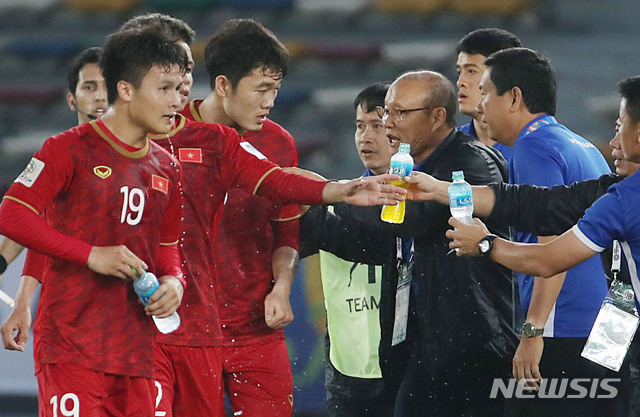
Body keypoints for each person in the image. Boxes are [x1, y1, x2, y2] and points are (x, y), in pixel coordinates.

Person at [300, 70, 517, 416]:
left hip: (471, 347)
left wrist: (342, 195)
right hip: (422, 344)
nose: (389, 124)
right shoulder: (413, 170)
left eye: (399, 113)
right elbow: (365, 240)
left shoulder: (469, 163)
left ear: (437, 117)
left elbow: (410, 218)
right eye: (387, 112)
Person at [0, 29, 189, 416]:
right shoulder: (67, 149)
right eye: (165, 88)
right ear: (127, 89)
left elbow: (168, 246)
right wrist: (90, 255)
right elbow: (12, 213)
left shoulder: (168, 168)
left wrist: (174, 281)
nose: (176, 101)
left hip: (137, 353)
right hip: (71, 347)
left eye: (179, 88)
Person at [445, 75, 640, 416]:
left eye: (485, 90)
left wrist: (487, 244)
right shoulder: (581, 146)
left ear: (514, 97)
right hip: (609, 333)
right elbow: (544, 203)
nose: (613, 141)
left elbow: (549, 253)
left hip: (566, 331)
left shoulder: (536, 147)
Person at [177, 19, 300, 416]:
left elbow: (287, 235)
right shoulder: (167, 132)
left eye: (275, 90)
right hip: (184, 333)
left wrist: (281, 288)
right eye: (261, 89)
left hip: (256, 330)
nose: (270, 101)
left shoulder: (279, 144)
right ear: (224, 85)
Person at [1, 46, 108, 352]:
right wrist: (20, 299)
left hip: (132, 312)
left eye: (107, 86)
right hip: (71, 310)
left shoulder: (148, 155)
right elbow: (35, 227)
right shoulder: (60, 154)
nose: (100, 96)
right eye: (90, 87)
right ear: (71, 98)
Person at [300, 82, 395, 417]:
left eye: (377, 126)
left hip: (412, 368)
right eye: (359, 126)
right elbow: (286, 247)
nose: (365, 137)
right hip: (349, 376)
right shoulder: (334, 203)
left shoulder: (431, 202)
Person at [456, 27, 521, 165]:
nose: (460, 82)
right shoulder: (446, 146)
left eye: (471, 71)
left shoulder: (535, 149)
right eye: (459, 72)